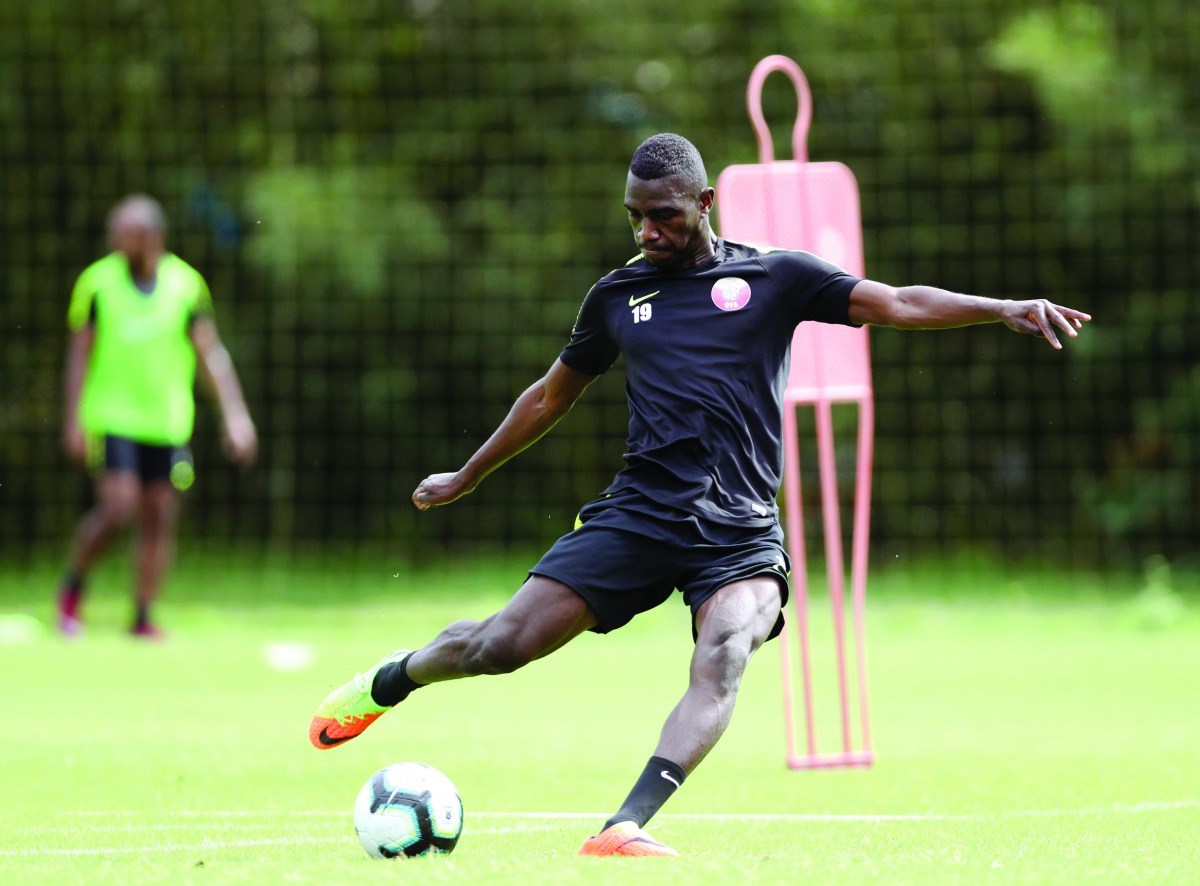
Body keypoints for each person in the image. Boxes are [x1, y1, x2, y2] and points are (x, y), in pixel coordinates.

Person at [309, 134, 1090, 856]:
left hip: (741, 532)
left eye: (664, 216)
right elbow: (549, 397)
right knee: (501, 648)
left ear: (705, 202)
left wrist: (1000, 308)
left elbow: (898, 303)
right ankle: (394, 677)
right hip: (640, 513)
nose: (647, 232)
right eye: (634, 217)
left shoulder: (776, 278)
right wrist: (466, 475)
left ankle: (624, 826)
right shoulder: (616, 297)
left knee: (724, 654)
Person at [58, 194, 257, 639]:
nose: (115, 241)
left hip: (168, 422)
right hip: (112, 418)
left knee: (159, 516)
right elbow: (79, 355)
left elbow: (211, 354)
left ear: (151, 237)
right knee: (119, 507)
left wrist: (235, 415)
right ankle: (72, 589)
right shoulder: (97, 283)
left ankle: (143, 616)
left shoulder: (186, 284)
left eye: (124, 234)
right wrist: (72, 419)